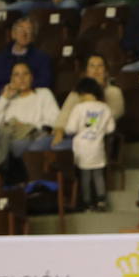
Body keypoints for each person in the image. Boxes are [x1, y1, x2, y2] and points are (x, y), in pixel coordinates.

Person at [52, 77, 115, 211]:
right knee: (98, 175)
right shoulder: (105, 108)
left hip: (82, 149)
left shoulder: (78, 108)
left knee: (85, 177)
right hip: (98, 148)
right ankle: (101, 200)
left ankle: (87, 202)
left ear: (82, 93)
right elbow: (111, 129)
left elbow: (71, 128)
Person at [0, 62, 60, 158]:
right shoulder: (7, 99)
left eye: (25, 74)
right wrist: (4, 98)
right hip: (12, 140)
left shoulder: (44, 93)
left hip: (36, 138)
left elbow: (55, 120)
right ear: (12, 79)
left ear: (31, 77)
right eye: (17, 75)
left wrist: (27, 127)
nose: (21, 78)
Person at [0, 18, 53, 104]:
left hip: (30, 102)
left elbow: (44, 82)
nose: (24, 33)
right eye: (20, 29)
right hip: (2, 101)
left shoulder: (42, 58)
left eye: (28, 30)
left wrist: (21, 89)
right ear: (13, 34)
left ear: (33, 36)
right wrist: (4, 92)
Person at [59, 54, 125, 126]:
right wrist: (59, 131)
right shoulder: (77, 92)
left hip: (99, 131)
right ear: (86, 72)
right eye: (92, 66)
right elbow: (64, 115)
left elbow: (115, 114)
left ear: (106, 72)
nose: (96, 69)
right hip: (72, 131)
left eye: (100, 66)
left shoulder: (114, 91)